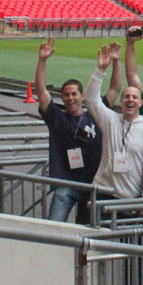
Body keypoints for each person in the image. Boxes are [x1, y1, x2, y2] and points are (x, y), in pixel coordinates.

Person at [34, 37, 101, 225]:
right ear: (62, 97)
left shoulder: (95, 117)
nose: (70, 98)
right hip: (66, 184)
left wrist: (110, 65)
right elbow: (41, 92)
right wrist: (42, 61)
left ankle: (81, 256)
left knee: (87, 230)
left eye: (74, 94)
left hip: (92, 185)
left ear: (83, 96)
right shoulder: (57, 117)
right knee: (55, 224)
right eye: (66, 95)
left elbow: (114, 90)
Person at [85, 44, 143, 203]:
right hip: (102, 192)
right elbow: (91, 99)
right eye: (126, 96)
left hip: (130, 198)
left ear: (141, 103)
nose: (130, 100)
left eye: (134, 97)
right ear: (121, 101)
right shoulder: (110, 119)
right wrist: (100, 70)